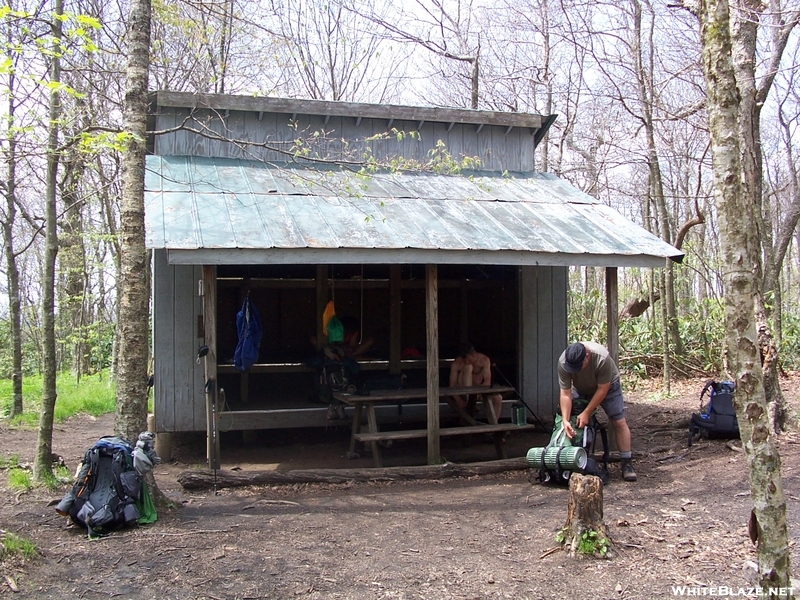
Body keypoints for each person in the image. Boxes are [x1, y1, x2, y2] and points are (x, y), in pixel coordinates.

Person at [557, 341, 637, 482]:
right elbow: (565, 393)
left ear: (587, 357)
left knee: (618, 421)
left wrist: (587, 412)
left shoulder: (601, 358)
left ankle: (626, 462)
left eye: (578, 367)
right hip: (581, 389)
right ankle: (574, 460)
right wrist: (565, 420)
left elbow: (602, 389)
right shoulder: (563, 362)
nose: (575, 370)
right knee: (571, 419)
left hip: (608, 386)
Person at [449, 341, 503, 423]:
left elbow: (487, 382)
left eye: (468, 359)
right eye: (464, 360)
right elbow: (452, 386)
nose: (466, 362)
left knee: (498, 398)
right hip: (463, 391)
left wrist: (478, 395)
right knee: (468, 367)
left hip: (479, 391)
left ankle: (493, 427)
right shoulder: (457, 363)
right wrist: (459, 400)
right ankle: (469, 399)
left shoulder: (484, 360)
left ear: (474, 353)